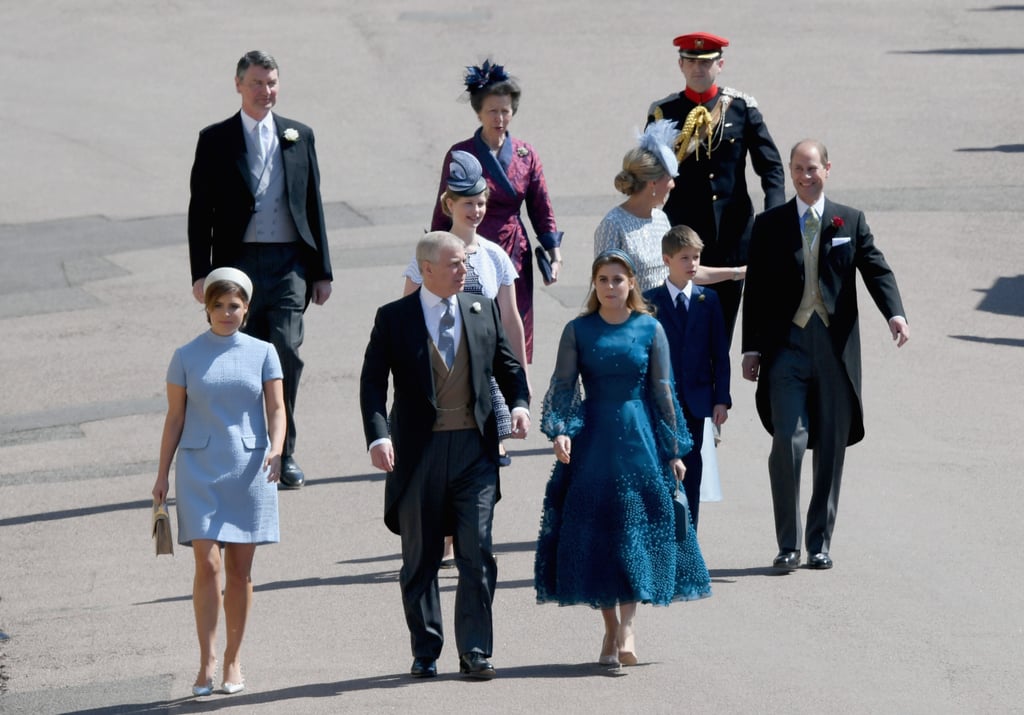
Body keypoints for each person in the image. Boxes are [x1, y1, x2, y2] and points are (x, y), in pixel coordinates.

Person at [360, 232, 531, 680]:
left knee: (477, 550)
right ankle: (426, 647)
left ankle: (475, 650)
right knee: (421, 557)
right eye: (454, 264)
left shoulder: (480, 310)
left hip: (474, 451)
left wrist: (519, 404)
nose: (464, 271)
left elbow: (508, 365)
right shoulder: (394, 319)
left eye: (465, 263)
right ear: (427, 270)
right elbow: (373, 384)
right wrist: (379, 438)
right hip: (419, 454)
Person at [534, 249, 711, 668]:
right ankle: (610, 626)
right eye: (603, 280)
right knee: (599, 536)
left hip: (639, 439)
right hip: (593, 441)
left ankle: (628, 628)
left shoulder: (649, 328)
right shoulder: (578, 330)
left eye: (618, 279)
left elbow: (663, 391)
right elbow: (563, 386)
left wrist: (673, 451)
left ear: (631, 283)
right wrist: (561, 430)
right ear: (594, 286)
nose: (611, 287)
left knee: (634, 530)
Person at [742, 139, 910, 571]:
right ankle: (787, 544)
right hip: (787, 352)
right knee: (789, 442)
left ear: (827, 169)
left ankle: (818, 543)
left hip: (834, 353)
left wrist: (895, 314)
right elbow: (756, 289)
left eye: (812, 168)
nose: (804, 175)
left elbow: (876, 268)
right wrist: (751, 348)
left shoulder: (849, 221)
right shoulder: (770, 225)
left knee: (831, 447)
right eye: (797, 168)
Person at [187, 50, 333, 489]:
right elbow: (200, 212)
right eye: (256, 83)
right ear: (238, 85)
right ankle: (242, 450)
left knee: (284, 353)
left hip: (289, 263)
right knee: (242, 360)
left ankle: (283, 452)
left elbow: (313, 204)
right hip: (238, 263)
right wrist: (202, 272)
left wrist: (321, 271)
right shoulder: (215, 139)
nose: (264, 91)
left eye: (271, 83)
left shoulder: (298, 136)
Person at [152, 267, 286, 697]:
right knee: (206, 565)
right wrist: (160, 478)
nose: (226, 313)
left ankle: (233, 658)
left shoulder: (264, 351)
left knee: (240, 570)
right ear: (206, 309)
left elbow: (278, 409)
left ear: (246, 308)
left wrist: (278, 448)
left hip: (249, 469)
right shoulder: (186, 355)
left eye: (234, 306)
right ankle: (206, 659)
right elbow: (174, 419)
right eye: (218, 306)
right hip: (198, 469)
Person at [406, 150, 531, 567]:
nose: (476, 210)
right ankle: (442, 535)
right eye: (467, 203)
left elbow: (510, 319)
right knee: (440, 454)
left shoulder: (495, 256)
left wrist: (520, 387)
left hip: (485, 377)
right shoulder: (429, 250)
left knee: (481, 460)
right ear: (449, 206)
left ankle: (468, 535)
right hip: (440, 375)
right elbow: (406, 313)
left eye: (480, 202)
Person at [647, 31, 786, 341]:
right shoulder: (663, 113)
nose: (699, 69)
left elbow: (771, 169)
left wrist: (773, 220)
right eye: (692, 62)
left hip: (731, 240)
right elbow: (649, 175)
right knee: (677, 333)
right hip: (681, 238)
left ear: (720, 64)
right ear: (680, 65)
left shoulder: (740, 108)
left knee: (720, 334)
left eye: (706, 63)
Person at [431, 59, 563, 362]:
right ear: (478, 112)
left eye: (506, 110)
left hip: (513, 249)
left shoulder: (525, 154)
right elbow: (444, 207)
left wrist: (553, 251)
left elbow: (541, 206)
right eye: (492, 111)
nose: (500, 118)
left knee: (515, 318)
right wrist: (434, 249)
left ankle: (516, 392)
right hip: (469, 245)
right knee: (471, 319)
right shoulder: (461, 153)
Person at [643, 226, 732, 529]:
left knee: (692, 468)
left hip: (696, 401)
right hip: (660, 402)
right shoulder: (649, 302)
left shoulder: (709, 301)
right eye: (685, 258)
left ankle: (689, 537)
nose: (692, 264)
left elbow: (719, 354)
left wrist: (721, 398)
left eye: (696, 258)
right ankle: (662, 533)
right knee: (661, 466)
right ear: (667, 259)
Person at [594, 119, 748, 293]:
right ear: (652, 182)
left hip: (666, 317)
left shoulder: (660, 219)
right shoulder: (612, 224)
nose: (673, 185)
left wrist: (738, 272)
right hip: (634, 319)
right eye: (669, 178)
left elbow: (680, 272)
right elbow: (604, 288)